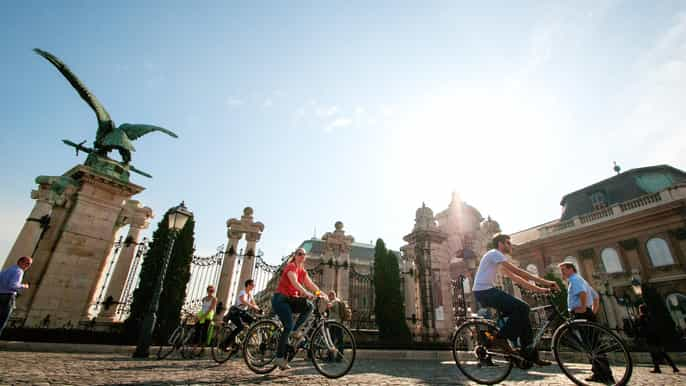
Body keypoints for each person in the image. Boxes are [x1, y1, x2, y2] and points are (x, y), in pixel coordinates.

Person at [472, 234, 558, 365]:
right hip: (483, 291)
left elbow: (517, 279)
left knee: (523, 314)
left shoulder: (497, 259)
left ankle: (529, 354)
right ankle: (501, 337)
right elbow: (519, 272)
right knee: (523, 308)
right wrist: (547, 282)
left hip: (486, 291)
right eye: (508, 243)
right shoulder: (495, 253)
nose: (510, 245)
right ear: (500, 244)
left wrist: (542, 290)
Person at [558, 262, 614, 384]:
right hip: (587, 313)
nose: (561, 273)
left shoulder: (574, 279)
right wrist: (592, 312)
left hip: (581, 314)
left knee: (591, 345)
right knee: (593, 345)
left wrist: (583, 308)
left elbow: (582, 293)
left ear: (571, 269)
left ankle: (603, 374)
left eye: (563, 270)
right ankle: (601, 373)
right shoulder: (581, 280)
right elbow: (596, 297)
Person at [272, 247, 326, 370]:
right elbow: (294, 282)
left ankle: (295, 331)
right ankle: (279, 358)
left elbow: (311, 285)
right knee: (288, 326)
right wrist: (305, 293)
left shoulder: (302, 271)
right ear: (295, 255)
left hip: (290, 300)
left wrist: (322, 294)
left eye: (303, 254)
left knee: (309, 306)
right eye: (299, 254)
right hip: (280, 299)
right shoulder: (291, 266)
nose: (302, 256)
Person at [636, 303, 679, 374]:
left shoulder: (642, 317)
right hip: (656, 337)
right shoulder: (651, 316)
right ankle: (674, 367)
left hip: (649, 337)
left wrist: (639, 337)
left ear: (641, 310)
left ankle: (657, 368)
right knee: (663, 353)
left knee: (653, 353)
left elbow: (640, 328)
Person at [223, 279, 261, 351]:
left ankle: (243, 338)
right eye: (253, 285)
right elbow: (243, 301)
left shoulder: (250, 295)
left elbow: (254, 304)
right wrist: (252, 306)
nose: (254, 286)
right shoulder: (242, 292)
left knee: (253, 321)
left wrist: (259, 310)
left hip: (242, 312)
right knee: (240, 326)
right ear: (248, 285)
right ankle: (225, 344)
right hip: (235, 312)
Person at [0, 256, 32, 336]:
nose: (28, 266)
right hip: (8, 297)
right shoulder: (19, 271)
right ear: (20, 262)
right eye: (27, 263)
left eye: (29, 264)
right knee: (2, 321)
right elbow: (13, 285)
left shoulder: (6, 270)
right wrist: (24, 286)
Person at [326, 290, 345, 361]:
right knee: (340, 340)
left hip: (334, 323)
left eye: (329, 296)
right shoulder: (338, 300)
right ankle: (340, 357)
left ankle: (330, 357)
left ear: (332, 296)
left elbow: (330, 305)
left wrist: (328, 304)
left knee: (331, 340)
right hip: (339, 323)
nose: (329, 298)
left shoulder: (334, 301)